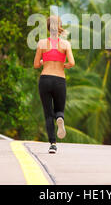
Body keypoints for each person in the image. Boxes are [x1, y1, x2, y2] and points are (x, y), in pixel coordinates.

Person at [33, 15, 75, 154]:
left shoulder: (42, 43)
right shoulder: (65, 44)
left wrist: (43, 62)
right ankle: (60, 118)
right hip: (59, 80)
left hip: (45, 79)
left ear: (47, 28)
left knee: (47, 114)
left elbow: (35, 64)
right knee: (59, 109)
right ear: (59, 27)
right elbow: (72, 63)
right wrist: (64, 65)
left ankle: (52, 144)